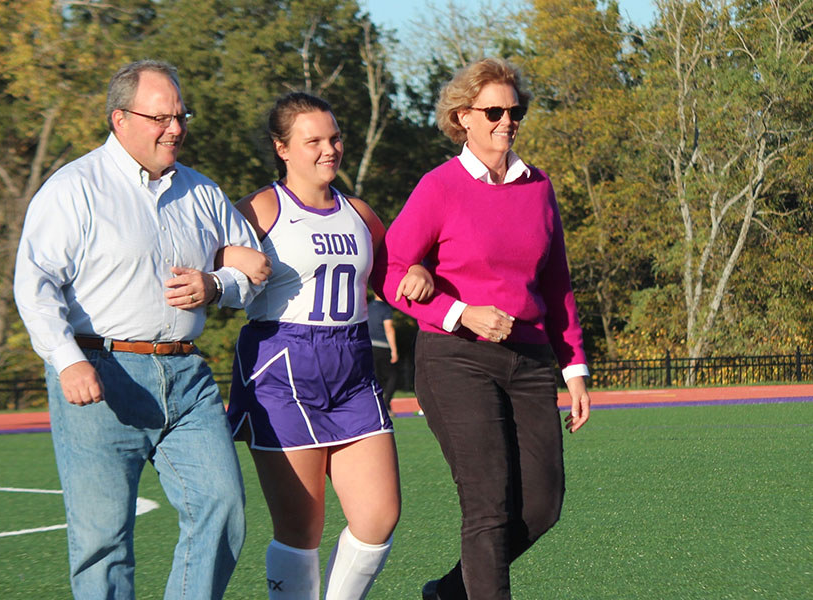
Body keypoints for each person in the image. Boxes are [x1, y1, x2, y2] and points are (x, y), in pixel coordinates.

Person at [13, 59, 270, 600]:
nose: (175, 128)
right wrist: (68, 359)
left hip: (188, 376)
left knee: (222, 510)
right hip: (102, 375)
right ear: (119, 119)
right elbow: (33, 284)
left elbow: (255, 269)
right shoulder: (74, 189)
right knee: (102, 540)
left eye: (180, 116)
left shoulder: (202, 193)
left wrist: (216, 285)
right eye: (161, 117)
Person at [372, 58, 592, 600]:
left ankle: (449, 592)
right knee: (488, 505)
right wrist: (458, 312)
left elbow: (558, 281)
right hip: (455, 360)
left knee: (541, 507)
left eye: (515, 111)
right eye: (494, 110)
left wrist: (576, 367)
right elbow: (389, 271)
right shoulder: (439, 186)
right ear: (463, 117)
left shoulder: (538, 187)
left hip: (531, 360)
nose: (507, 121)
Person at [225, 91, 432, 600]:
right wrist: (226, 256)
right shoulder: (258, 207)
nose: (328, 149)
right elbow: (215, 271)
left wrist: (419, 272)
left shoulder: (360, 212)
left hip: (353, 365)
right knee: (302, 529)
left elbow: (391, 278)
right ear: (283, 148)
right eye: (312, 140)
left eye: (334, 137)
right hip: (282, 364)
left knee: (378, 516)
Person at [366, 294, 398, 416]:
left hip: (368, 345)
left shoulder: (367, 307)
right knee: (392, 377)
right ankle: (386, 403)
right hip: (383, 346)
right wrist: (394, 350)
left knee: (375, 377)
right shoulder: (385, 308)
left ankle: (375, 407)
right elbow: (389, 329)